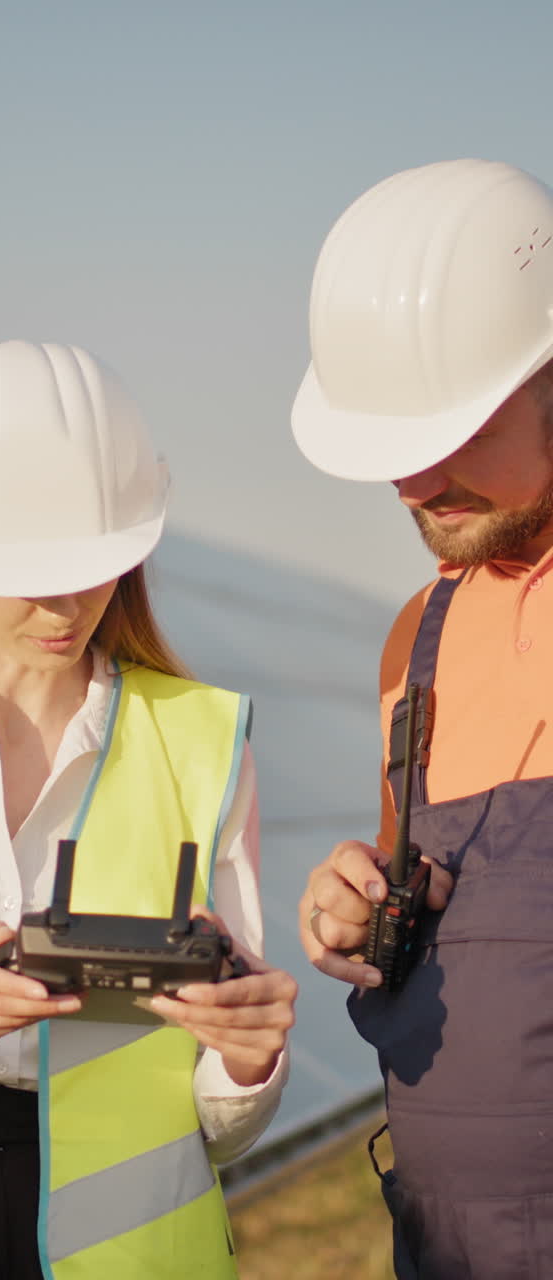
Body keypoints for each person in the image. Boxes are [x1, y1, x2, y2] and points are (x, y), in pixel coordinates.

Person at [0, 339, 296, 1280]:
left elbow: (217, 1129)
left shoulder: (207, 743)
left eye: (96, 562)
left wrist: (247, 1063)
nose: (67, 600)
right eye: (27, 568)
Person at [292, 159, 553, 1279]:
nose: (416, 480)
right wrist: (357, 904)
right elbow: (449, 887)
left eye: (454, 428)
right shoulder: (419, 636)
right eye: (390, 443)